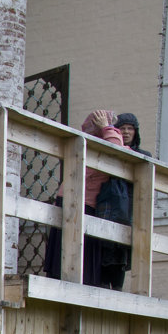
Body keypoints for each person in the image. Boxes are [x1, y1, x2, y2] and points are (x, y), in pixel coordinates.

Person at [42, 110, 127, 289]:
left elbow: (116, 150)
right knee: (71, 252)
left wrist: (106, 128)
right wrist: (106, 128)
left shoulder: (105, 144)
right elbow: (115, 146)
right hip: (77, 200)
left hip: (83, 201)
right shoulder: (89, 144)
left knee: (80, 253)